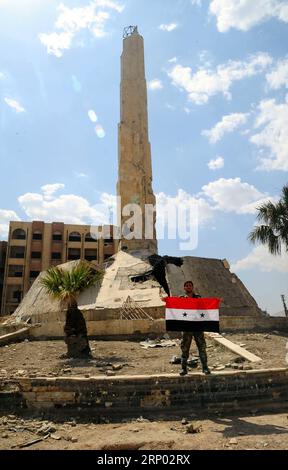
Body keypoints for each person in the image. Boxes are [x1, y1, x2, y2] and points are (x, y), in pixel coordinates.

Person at [179, 280, 210, 376]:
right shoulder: (181, 298)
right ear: (184, 288)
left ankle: (205, 367)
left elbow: (204, 310)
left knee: (202, 347)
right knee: (185, 348)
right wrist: (166, 301)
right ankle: (184, 369)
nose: (188, 287)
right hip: (187, 327)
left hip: (197, 326)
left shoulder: (198, 298)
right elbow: (176, 308)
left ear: (192, 287)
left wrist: (215, 303)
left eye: (190, 285)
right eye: (187, 286)